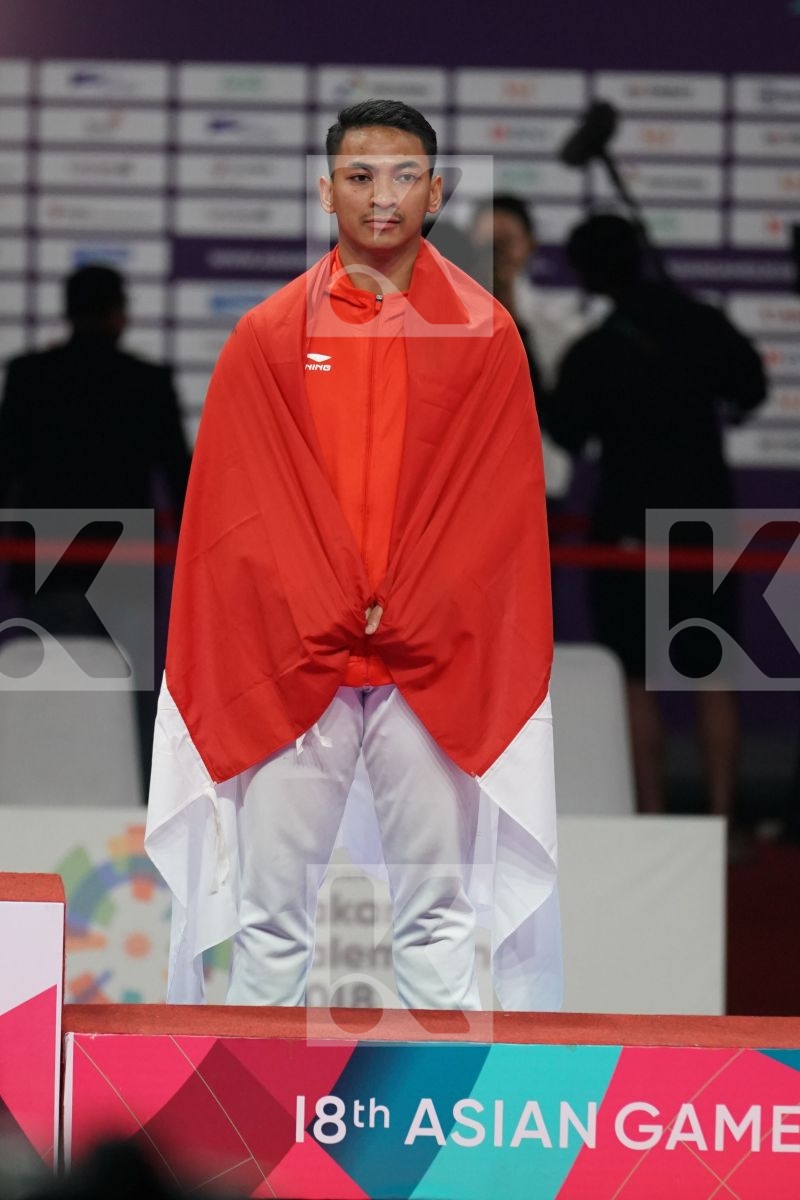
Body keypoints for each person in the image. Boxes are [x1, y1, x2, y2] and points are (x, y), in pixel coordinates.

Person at [145, 99, 561, 1013]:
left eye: (405, 175)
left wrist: (403, 603)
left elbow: (493, 510)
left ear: (438, 191)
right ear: (325, 189)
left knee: (438, 918)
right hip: (302, 658)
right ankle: (243, 1153)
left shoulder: (487, 336)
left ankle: (445, 1145)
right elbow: (238, 507)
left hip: (426, 666)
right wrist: (331, 601)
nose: (383, 196)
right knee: (270, 922)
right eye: (361, 176)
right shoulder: (269, 335)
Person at [546, 214, 767, 817]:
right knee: (714, 674)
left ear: (589, 277)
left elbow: (568, 430)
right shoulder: (703, 321)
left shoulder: (595, 350)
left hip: (627, 527)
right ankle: (723, 822)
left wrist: (531, 371)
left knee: (636, 680)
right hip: (704, 519)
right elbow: (751, 389)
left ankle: (651, 819)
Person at [0, 264, 191, 782]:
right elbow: (181, 480)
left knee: (44, 682)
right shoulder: (147, 382)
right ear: (118, 314)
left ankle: (32, 789)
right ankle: (139, 804)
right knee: (131, 695)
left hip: (45, 561)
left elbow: (6, 470)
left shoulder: (28, 376)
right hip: (125, 567)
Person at [469, 194, 604, 499]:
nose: (497, 253)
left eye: (507, 241)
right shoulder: (438, 325)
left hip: (540, 485)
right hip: (464, 490)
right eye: (487, 243)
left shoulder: (563, 323)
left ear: (530, 244)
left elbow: (567, 405)